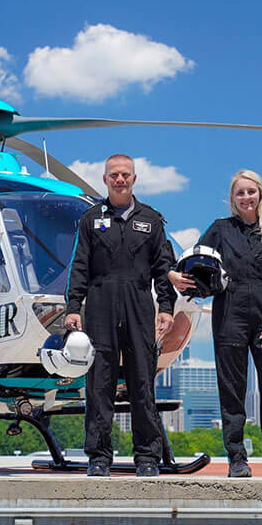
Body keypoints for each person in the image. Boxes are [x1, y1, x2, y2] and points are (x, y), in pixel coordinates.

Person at [169, 170, 262, 478]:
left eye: (251, 192)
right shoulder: (219, 230)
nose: (246, 198)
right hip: (229, 318)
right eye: (240, 193)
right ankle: (237, 458)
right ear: (232, 198)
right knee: (232, 392)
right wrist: (174, 275)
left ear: (260, 194)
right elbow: (194, 264)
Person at [64, 153, 177, 477]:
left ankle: (147, 457)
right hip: (99, 307)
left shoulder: (152, 220)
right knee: (99, 384)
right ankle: (98, 457)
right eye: (114, 175)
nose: (120, 180)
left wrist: (166, 308)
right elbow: (79, 266)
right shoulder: (90, 219)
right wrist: (74, 307)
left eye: (125, 174)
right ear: (105, 180)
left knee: (143, 384)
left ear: (134, 179)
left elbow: (163, 269)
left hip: (140, 306)